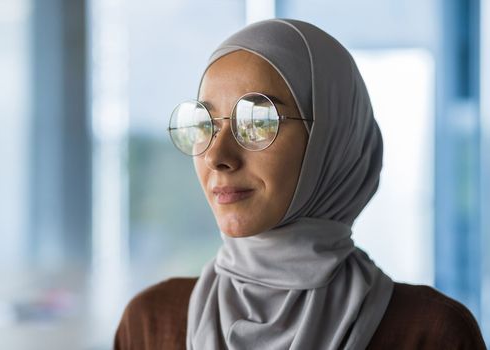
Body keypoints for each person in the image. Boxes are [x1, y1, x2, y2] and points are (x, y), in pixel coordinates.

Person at [114, 19, 486, 349]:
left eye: (258, 121)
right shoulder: (150, 324)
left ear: (331, 139)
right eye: (206, 124)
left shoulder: (430, 334)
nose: (216, 157)